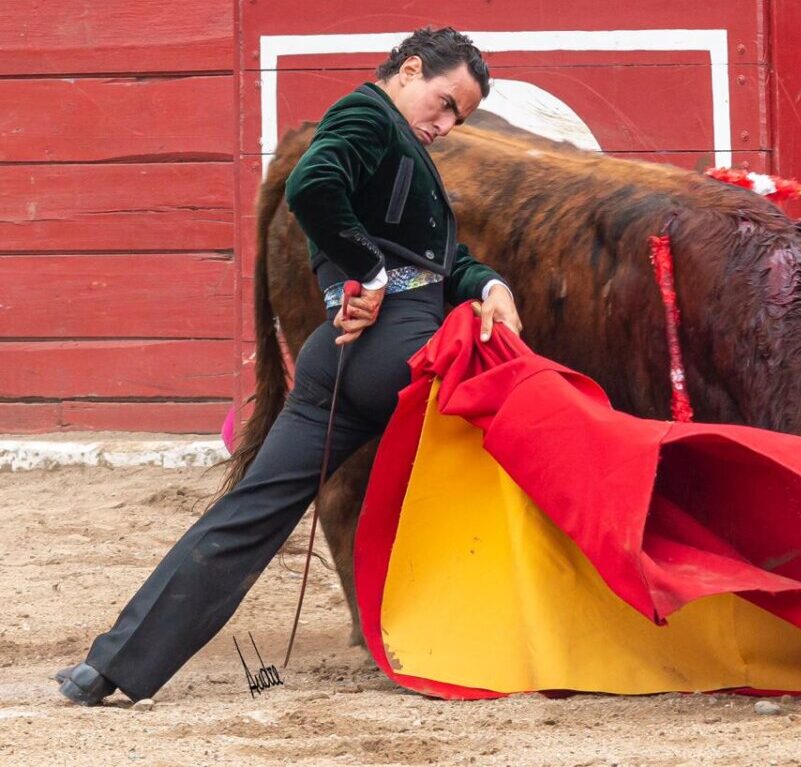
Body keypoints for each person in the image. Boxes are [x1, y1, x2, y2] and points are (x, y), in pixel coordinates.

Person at [56, 26, 521, 706]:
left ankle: (113, 664)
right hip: (401, 353)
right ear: (411, 69)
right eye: (445, 103)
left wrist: (488, 286)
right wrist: (371, 273)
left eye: (460, 117)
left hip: (335, 366)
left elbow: (437, 259)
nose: (447, 124)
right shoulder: (369, 115)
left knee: (249, 513)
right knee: (517, 452)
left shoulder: (395, 144)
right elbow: (312, 184)